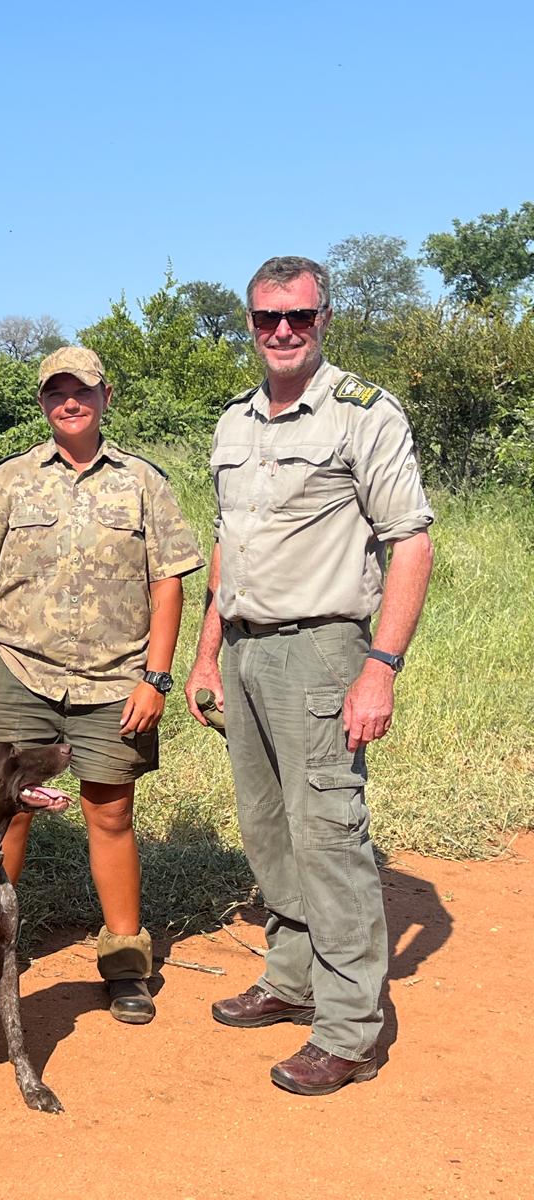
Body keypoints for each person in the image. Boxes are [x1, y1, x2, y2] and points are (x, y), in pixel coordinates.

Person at [185, 255, 434, 1094]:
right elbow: (229, 547)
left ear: (325, 319)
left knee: (328, 837)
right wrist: (207, 648)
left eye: (298, 316)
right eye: (266, 318)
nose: (282, 331)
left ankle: (351, 1028)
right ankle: (292, 978)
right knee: (268, 827)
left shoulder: (364, 413)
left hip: (325, 651)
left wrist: (381, 669)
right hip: (248, 649)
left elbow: (411, 541)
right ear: (249, 325)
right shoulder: (235, 423)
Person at [0, 346, 203, 1023]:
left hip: (114, 680)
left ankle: (126, 962)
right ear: (42, 402)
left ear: (106, 397)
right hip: (21, 671)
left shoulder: (143, 482)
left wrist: (155, 677)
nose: (70, 403)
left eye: (83, 391)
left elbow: (169, 580)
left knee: (111, 814)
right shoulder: (8, 480)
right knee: (3, 813)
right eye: (56, 393)